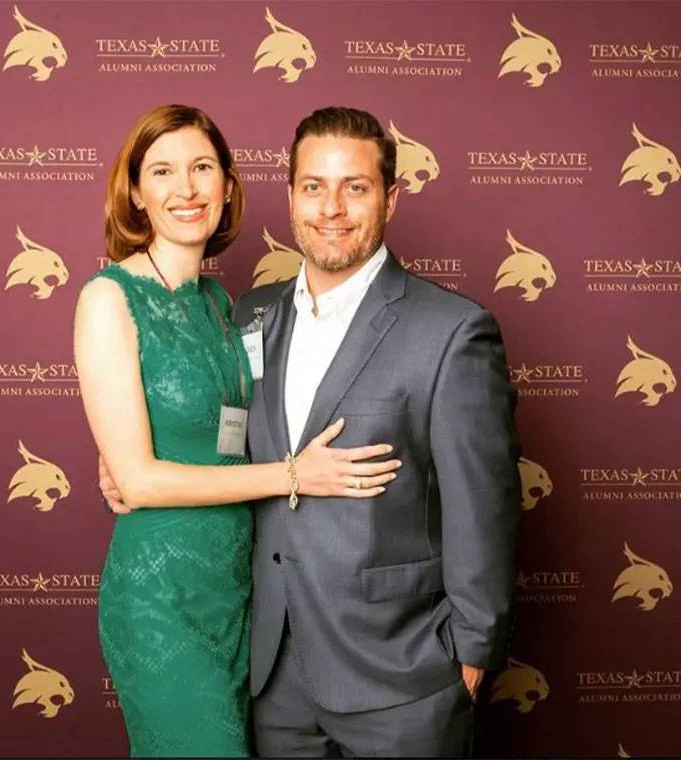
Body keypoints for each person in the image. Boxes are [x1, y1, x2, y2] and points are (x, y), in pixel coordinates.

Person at [102, 105, 521, 758]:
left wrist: (470, 653)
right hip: (270, 674)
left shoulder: (451, 332)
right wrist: (130, 467)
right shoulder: (248, 313)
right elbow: (221, 432)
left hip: (401, 675)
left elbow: (484, 504)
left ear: (391, 198)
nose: (332, 208)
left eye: (355, 187)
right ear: (291, 197)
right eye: (314, 187)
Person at [75, 104, 401, 758]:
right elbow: (139, 478)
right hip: (162, 595)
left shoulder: (224, 306)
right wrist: (292, 476)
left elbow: (239, 427)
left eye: (202, 168)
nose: (186, 189)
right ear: (136, 192)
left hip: (238, 590)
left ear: (228, 184)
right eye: (162, 171)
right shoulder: (108, 298)